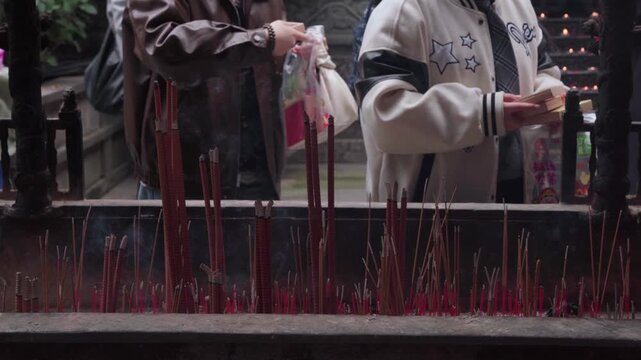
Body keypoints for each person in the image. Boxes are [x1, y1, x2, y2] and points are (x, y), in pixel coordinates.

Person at [356, 0, 565, 203]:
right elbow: (383, 117)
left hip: (522, 193)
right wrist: (482, 114)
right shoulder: (402, 9)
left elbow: (540, 69)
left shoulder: (519, 5)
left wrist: (552, 95)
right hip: (427, 216)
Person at [123, 0, 308, 200]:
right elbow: (163, 43)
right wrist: (261, 39)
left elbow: (269, 51)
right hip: (184, 174)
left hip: (260, 170)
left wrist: (299, 49)